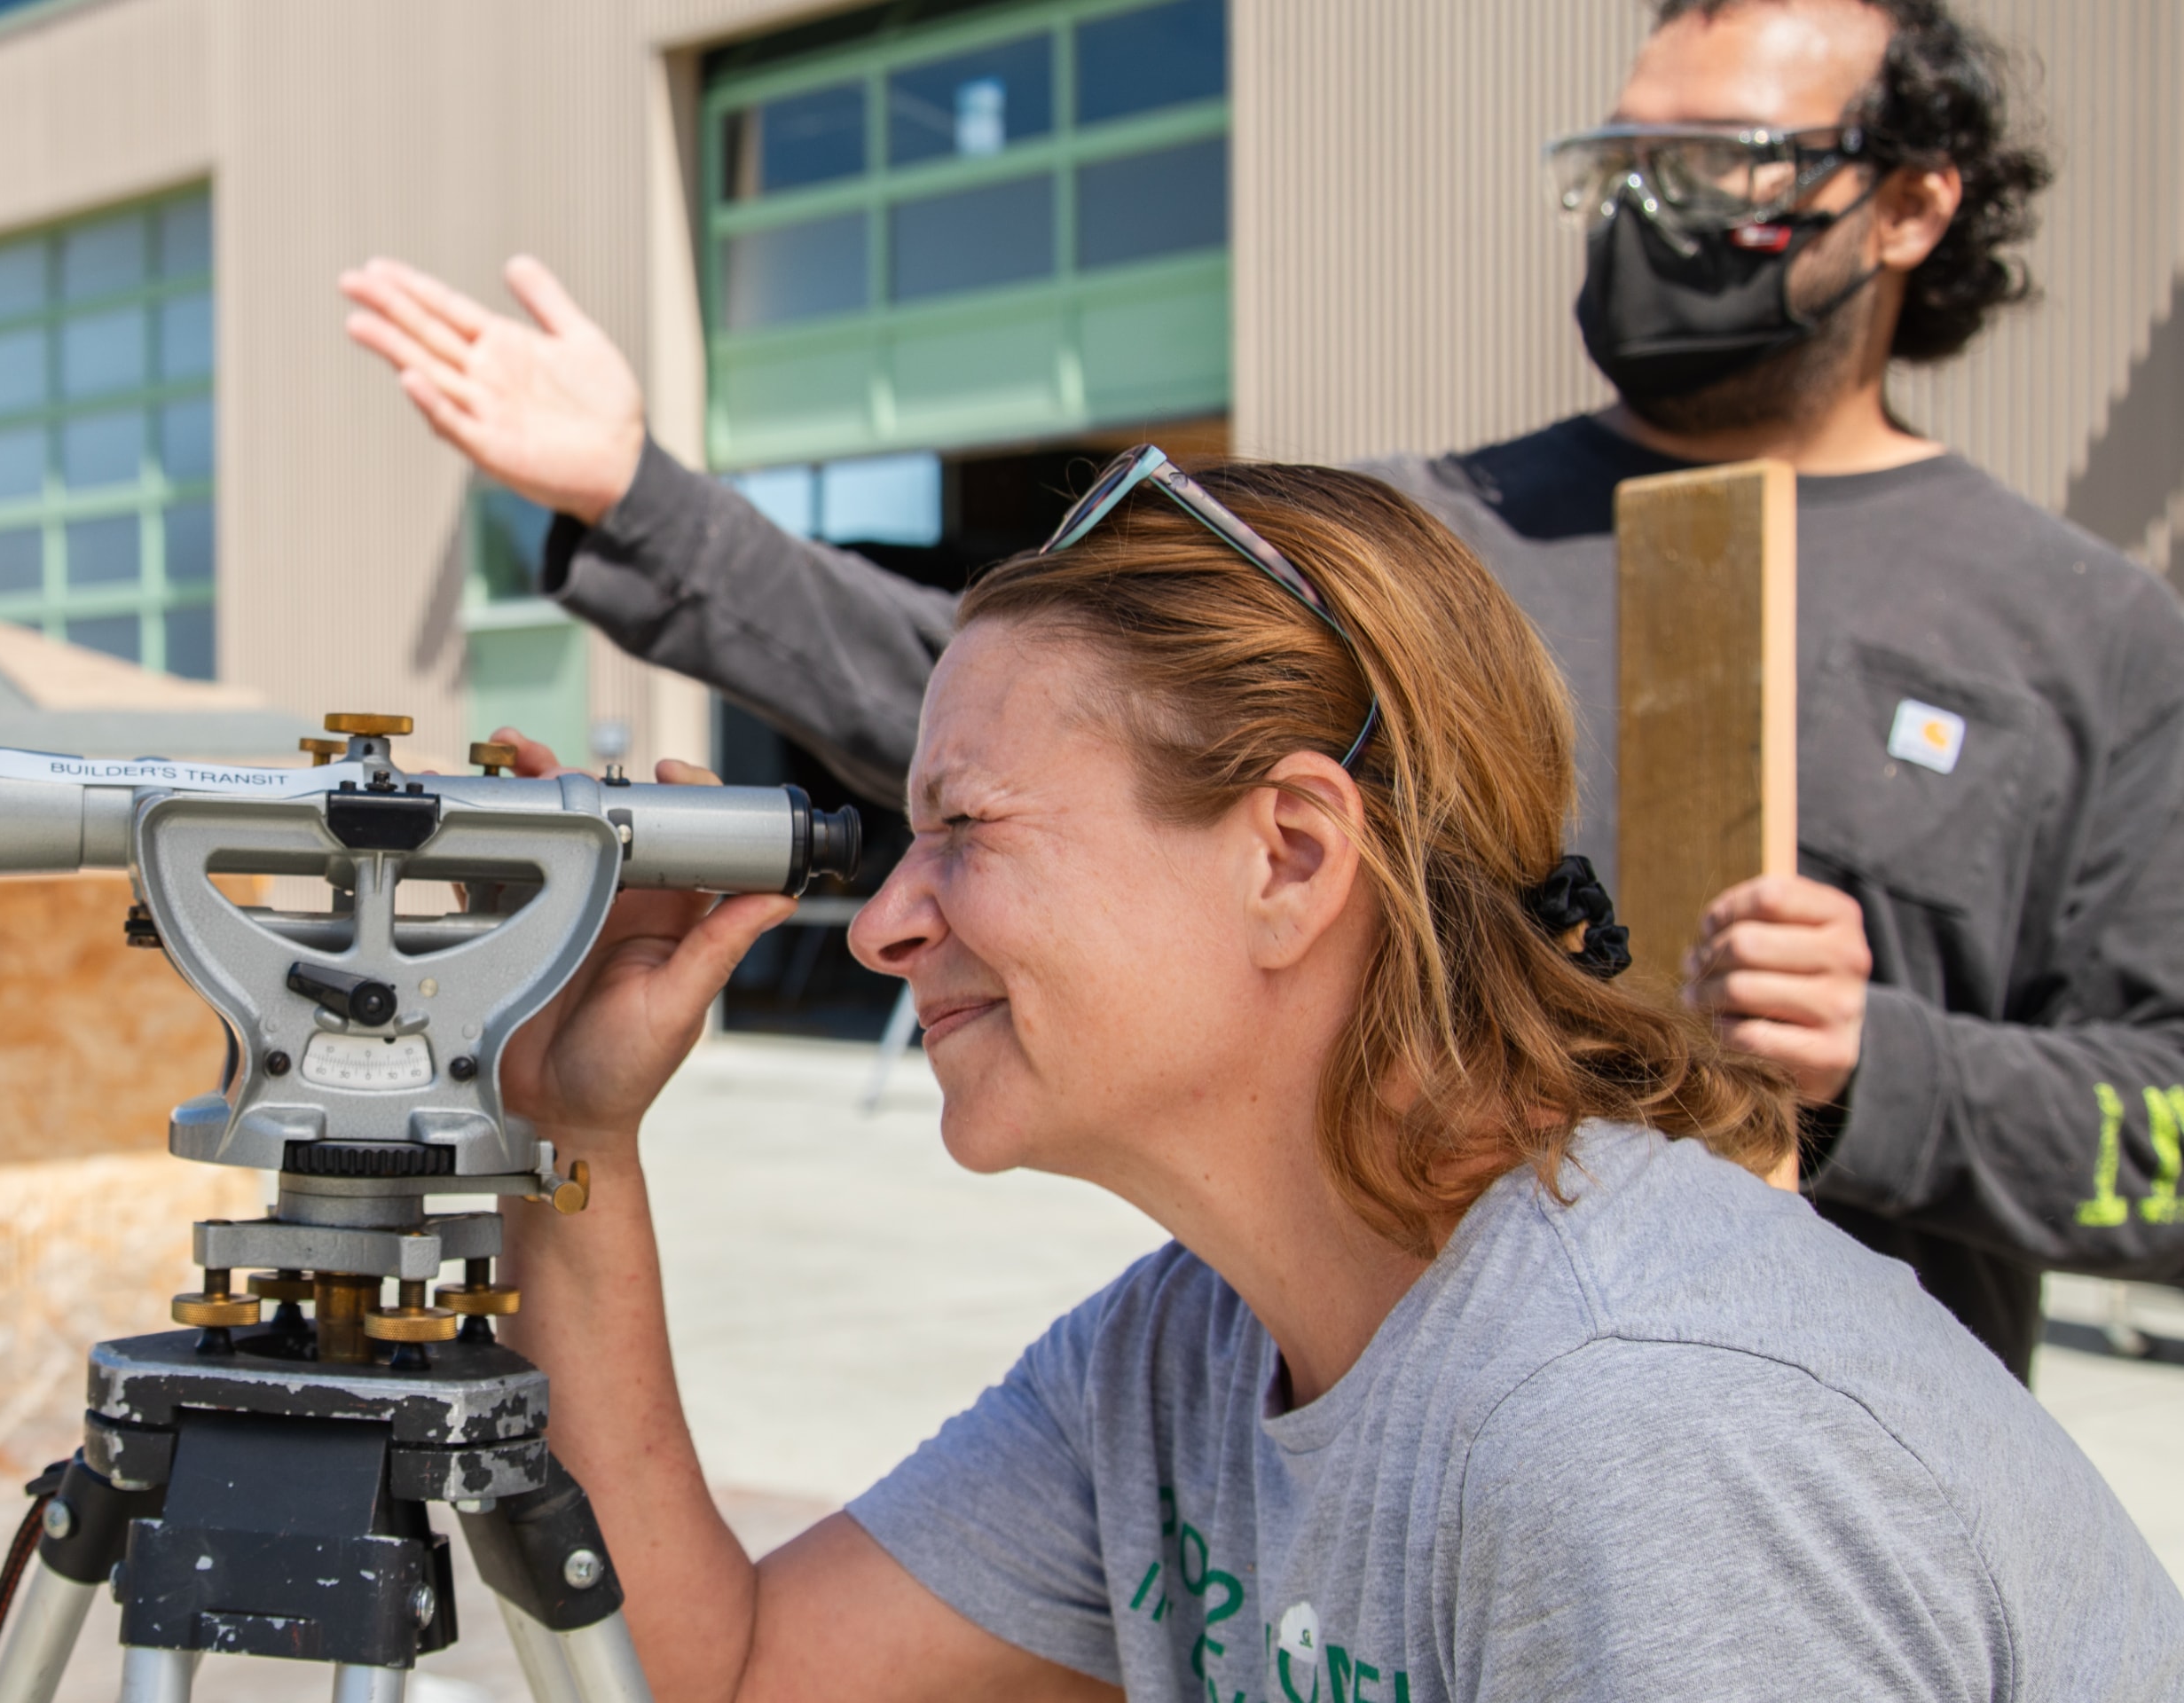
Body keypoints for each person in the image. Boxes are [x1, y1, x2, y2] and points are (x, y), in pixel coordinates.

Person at [341, 0, 2184, 1380]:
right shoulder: (1418, 548)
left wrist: (1897, 1067)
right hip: (1389, 1470)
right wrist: (640, 500)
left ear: (1913, 207)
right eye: (1619, 170)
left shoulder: (2084, 636)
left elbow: (2167, 1146)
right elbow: (1001, 730)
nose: (1646, 220)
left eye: (1717, 173)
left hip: (1840, 1509)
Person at [483, 453, 2180, 1699]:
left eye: (964, 833)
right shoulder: (1188, 1356)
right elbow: (719, 1679)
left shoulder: (1646, 1423)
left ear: (1291, 854)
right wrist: (574, 1134)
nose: (885, 928)